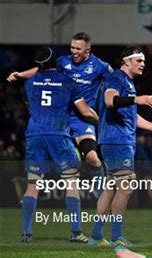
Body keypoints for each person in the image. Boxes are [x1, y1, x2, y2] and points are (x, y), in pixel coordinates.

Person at [8, 33, 113, 202]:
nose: (74, 51)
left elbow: (115, 82)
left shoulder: (101, 66)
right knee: (45, 148)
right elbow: (40, 70)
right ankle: (31, 191)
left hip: (82, 118)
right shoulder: (63, 62)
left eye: (78, 48)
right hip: (60, 116)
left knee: (92, 157)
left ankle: (103, 194)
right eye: (72, 47)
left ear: (88, 49)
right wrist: (20, 74)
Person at [88, 46, 152, 247]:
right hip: (117, 140)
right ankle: (117, 237)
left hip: (115, 139)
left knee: (111, 188)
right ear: (126, 61)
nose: (143, 64)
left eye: (143, 61)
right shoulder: (117, 78)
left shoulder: (127, 82)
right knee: (126, 187)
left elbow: (130, 116)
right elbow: (110, 101)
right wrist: (138, 99)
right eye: (138, 60)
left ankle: (97, 235)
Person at [20, 46, 99, 243]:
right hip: (58, 133)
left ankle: (26, 232)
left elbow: (31, 106)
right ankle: (76, 232)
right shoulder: (67, 82)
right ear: (55, 61)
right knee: (70, 180)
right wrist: (97, 120)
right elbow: (85, 111)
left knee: (33, 183)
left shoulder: (29, 83)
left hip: (34, 134)